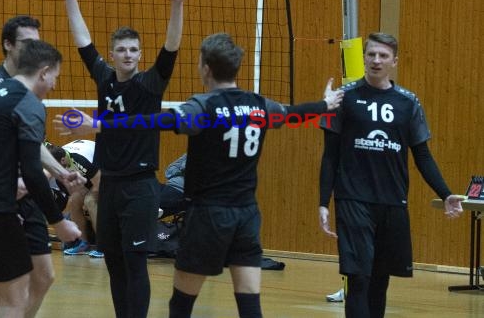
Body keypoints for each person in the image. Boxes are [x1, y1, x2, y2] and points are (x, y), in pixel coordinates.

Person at [54, 32, 343, 317]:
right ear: (237, 67)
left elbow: (151, 120)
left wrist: (97, 123)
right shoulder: (259, 106)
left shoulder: (203, 109)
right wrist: (324, 105)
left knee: (181, 304)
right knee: (249, 304)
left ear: (205, 68)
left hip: (207, 216)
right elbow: (293, 113)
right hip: (246, 215)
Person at [59, 0, 190, 317]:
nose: (128, 54)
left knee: (134, 264)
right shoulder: (105, 79)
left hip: (140, 186)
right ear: (114, 53)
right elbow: (83, 43)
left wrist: (177, 4)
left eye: (134, 49)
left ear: (140, 54)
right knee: (114, 263)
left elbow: (172, 48)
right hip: (110, 186)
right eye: (122, 49)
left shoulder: (150, 84)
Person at [318, 32, 464, 318]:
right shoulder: (344, 98)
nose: (376, 60)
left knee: (379, 281)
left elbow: (422, 154)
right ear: (363, 58)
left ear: (394, 61)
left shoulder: (408, 102)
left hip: (392, 202)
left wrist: (445, 193)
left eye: (383, 55)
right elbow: (330, 155)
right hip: (353, 200)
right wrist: (324, 201)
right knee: (358, 279)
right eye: (371, 54)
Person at [0, 16, 85, 318]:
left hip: (23, 196)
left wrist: (58, 170)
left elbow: (30, 143)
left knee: (42, 276)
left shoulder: (28, 97)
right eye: (28, 43)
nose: (34, 47)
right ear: (8, 45)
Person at [46, 140, 103, 258]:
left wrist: (89, 198)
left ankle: (103, 245)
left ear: (62, 161)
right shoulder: (57, 158)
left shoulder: (79, 160)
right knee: (73, 201)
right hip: (88, 175)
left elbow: (98, 183)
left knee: (90, 201)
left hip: (103, 172)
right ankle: (83, 243)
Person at [159, 153, 188, 218]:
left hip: (180, 191)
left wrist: (181, 168)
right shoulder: (189, 153)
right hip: (168, 186)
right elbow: (168, 172)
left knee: (148, 202)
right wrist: (182, 170)